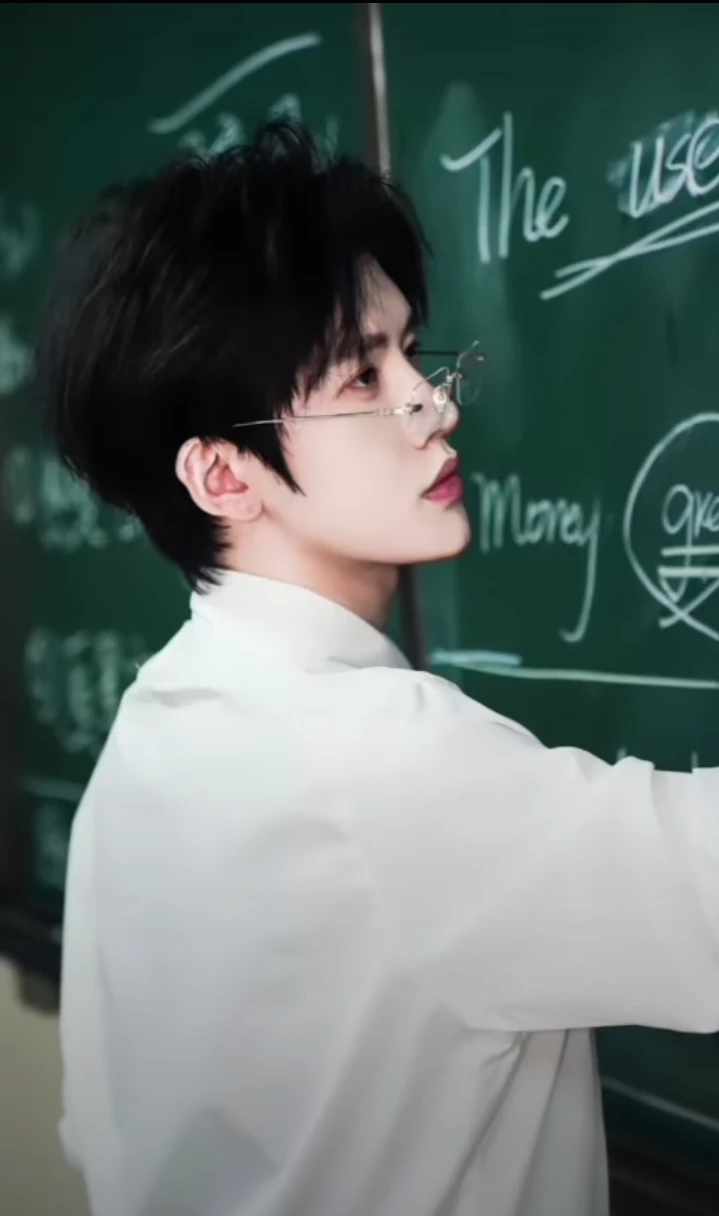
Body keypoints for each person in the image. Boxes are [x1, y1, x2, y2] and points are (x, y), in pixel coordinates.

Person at [38, 120, 719, 1216]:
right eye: (363, 372)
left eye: (413, 351)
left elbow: (105, 1127)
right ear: (223, 475)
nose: (434, 404)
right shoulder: (373, 763)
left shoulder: (149, 735)